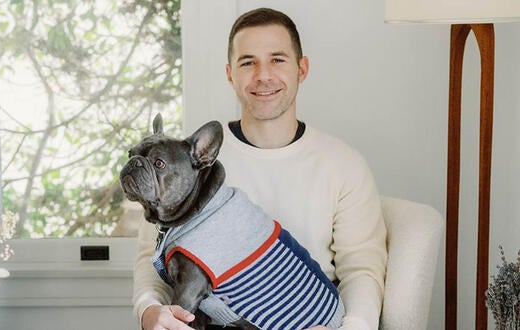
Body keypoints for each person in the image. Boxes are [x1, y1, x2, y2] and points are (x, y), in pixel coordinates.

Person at [133, 7, 387, 330]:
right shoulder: (185, 165)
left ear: (302, 68)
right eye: (248, 62)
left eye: (277, 59)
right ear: (230, 74)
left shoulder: (345, 165)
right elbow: (149, 257)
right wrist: (147, 310)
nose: (263, 75)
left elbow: (362, 271)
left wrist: (354, 327)